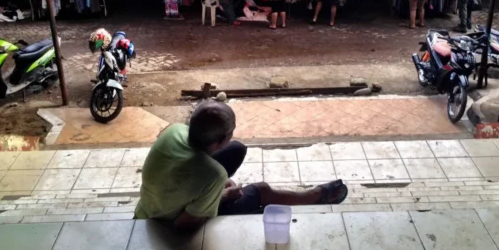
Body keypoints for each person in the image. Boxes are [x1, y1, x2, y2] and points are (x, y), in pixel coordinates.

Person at [135, 101, 348, 230]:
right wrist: (224, 196)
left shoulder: (175, 131)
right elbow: (184, 224)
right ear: (220, 140)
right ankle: (313, 196)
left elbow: (202, 168)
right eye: (231, 132)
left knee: (236, 149)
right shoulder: (213, 175)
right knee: (262, 190)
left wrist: (217, 183)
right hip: (163, 222)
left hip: (153, 202)